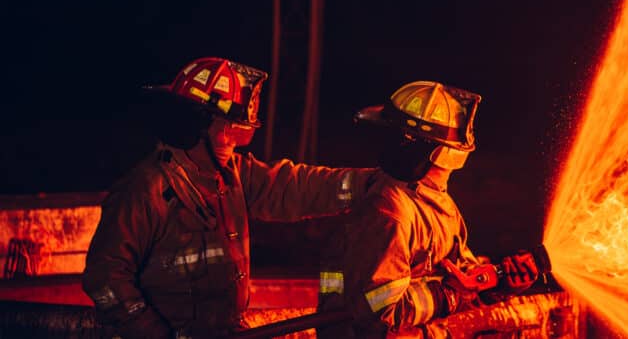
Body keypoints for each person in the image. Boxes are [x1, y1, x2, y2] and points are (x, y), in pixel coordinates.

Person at [82, 57, 373, 339]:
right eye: (228, 132)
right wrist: (153, 333)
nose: (233, 146)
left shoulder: (231, 176)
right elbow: (104, 280)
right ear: (193, 127)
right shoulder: (145, 191)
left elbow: (296, 187)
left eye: (239, 135)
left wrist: (369, 184)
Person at [317, 81, 539, 338]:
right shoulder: (389, 212)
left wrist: (496, 285)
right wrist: (449, 294)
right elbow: (377, 313)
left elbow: (461, 283)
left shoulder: (441, 207)